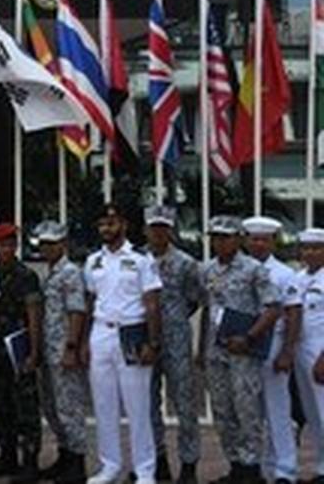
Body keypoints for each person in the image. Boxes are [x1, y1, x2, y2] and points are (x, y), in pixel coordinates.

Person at [82, 203, 162, 484]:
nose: (107, 228)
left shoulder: (141, 259)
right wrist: (84, 341)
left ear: (124, 225)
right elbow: (90, 300)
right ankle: (109, 466)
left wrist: (152, 342)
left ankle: (145, 470)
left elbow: (152, 304)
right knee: (104, 405)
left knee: (137, 406)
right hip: (101, 332)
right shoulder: (93, 261)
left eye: (112, 223)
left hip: (132, 332)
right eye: (102, 224)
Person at [199, 215, 280, 484]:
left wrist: (249, 337)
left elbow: (273, 308)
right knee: (222, 411)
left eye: (225, 237)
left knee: (247, 409)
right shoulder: (207, 270)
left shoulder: (253, 269)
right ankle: (235, 465)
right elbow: (207, 309)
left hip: (243, 351)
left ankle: (251, 468)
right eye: (215, 238)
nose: (219, 243)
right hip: (215, 350)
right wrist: (201, 349)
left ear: (239, 239)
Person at [143, 205, 205, 483]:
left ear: (171, 230)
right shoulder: (137, 259)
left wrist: (174, 318)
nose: (158, 233)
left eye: (163, 228)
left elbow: (195, 299)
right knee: (147, 402)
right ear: (146, 229)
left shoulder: (186, 263)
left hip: (176, 339)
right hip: (143, 338)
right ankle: (158, 460)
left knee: (184, 402)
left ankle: (189, 463)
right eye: (154, 227)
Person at [241, 215, 301, 484]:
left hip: (272, 344)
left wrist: (287, 351)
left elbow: (293, 313)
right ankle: (258, 467)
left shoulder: (285, 274)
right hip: (242, 347)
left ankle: (285, 470)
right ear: (246, 241)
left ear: (273, 242)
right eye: (254, 239)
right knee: (249, 411)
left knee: (277, 409)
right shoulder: (238, 269)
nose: (259, 244)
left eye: (264, 240)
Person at [0, 223, 42, 482]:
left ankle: (30, 461)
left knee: (25, 407)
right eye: (1, 245)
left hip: (19, 348)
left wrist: (34, 351)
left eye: (10, 244)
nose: (6, 249)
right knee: (0, 405)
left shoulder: (26, 275)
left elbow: (33, 313)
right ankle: (7, 456)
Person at [32, 222, 89, 483]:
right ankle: (64, 456)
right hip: (49, 351)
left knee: (69, 407)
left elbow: (77, 311)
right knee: (52, 408)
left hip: (64, 351)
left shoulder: (70, 272)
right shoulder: (51, 273)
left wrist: (72, 347)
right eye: (43, 244)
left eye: (52, 244)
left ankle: (77, 463)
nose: (46, 249)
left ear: (63, 245)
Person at [294, 228, 324, 482]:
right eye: (306, 248)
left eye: (316, 248)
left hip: (319, 349)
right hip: (300, 349)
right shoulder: (298, 277)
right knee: (312, 413)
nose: (310, 253)